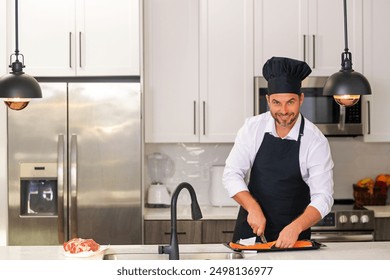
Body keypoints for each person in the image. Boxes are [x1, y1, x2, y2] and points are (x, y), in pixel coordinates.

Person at [223, 56, 334, 248]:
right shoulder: (252, 128)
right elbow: (231, 174)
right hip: (250, 234)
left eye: (290, 102)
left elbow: (323, 197)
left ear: (300, 99)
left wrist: (296, 227)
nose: (283, 110)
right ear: (267, 100)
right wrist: (252, 207)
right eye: (276, 103)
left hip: (294, 237)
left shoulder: (315, 141)